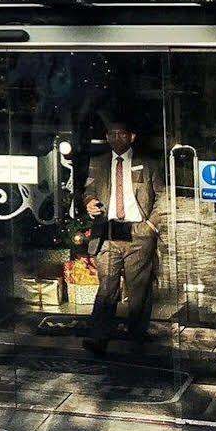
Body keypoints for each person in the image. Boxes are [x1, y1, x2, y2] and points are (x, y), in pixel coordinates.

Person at [80, 116, 160, 356]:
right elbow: (89, 190)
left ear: (131, 137)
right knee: (107, 288)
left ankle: (136, 337)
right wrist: (89, 202)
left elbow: (163, 197)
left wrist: (151, 226)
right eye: (111, 134)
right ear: (106, 137)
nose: (116, 138)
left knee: (138, 289)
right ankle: (98, 338)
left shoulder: (147, 163)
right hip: (108, 232)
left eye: (121, 134)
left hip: (138, 233)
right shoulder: (98, 163)